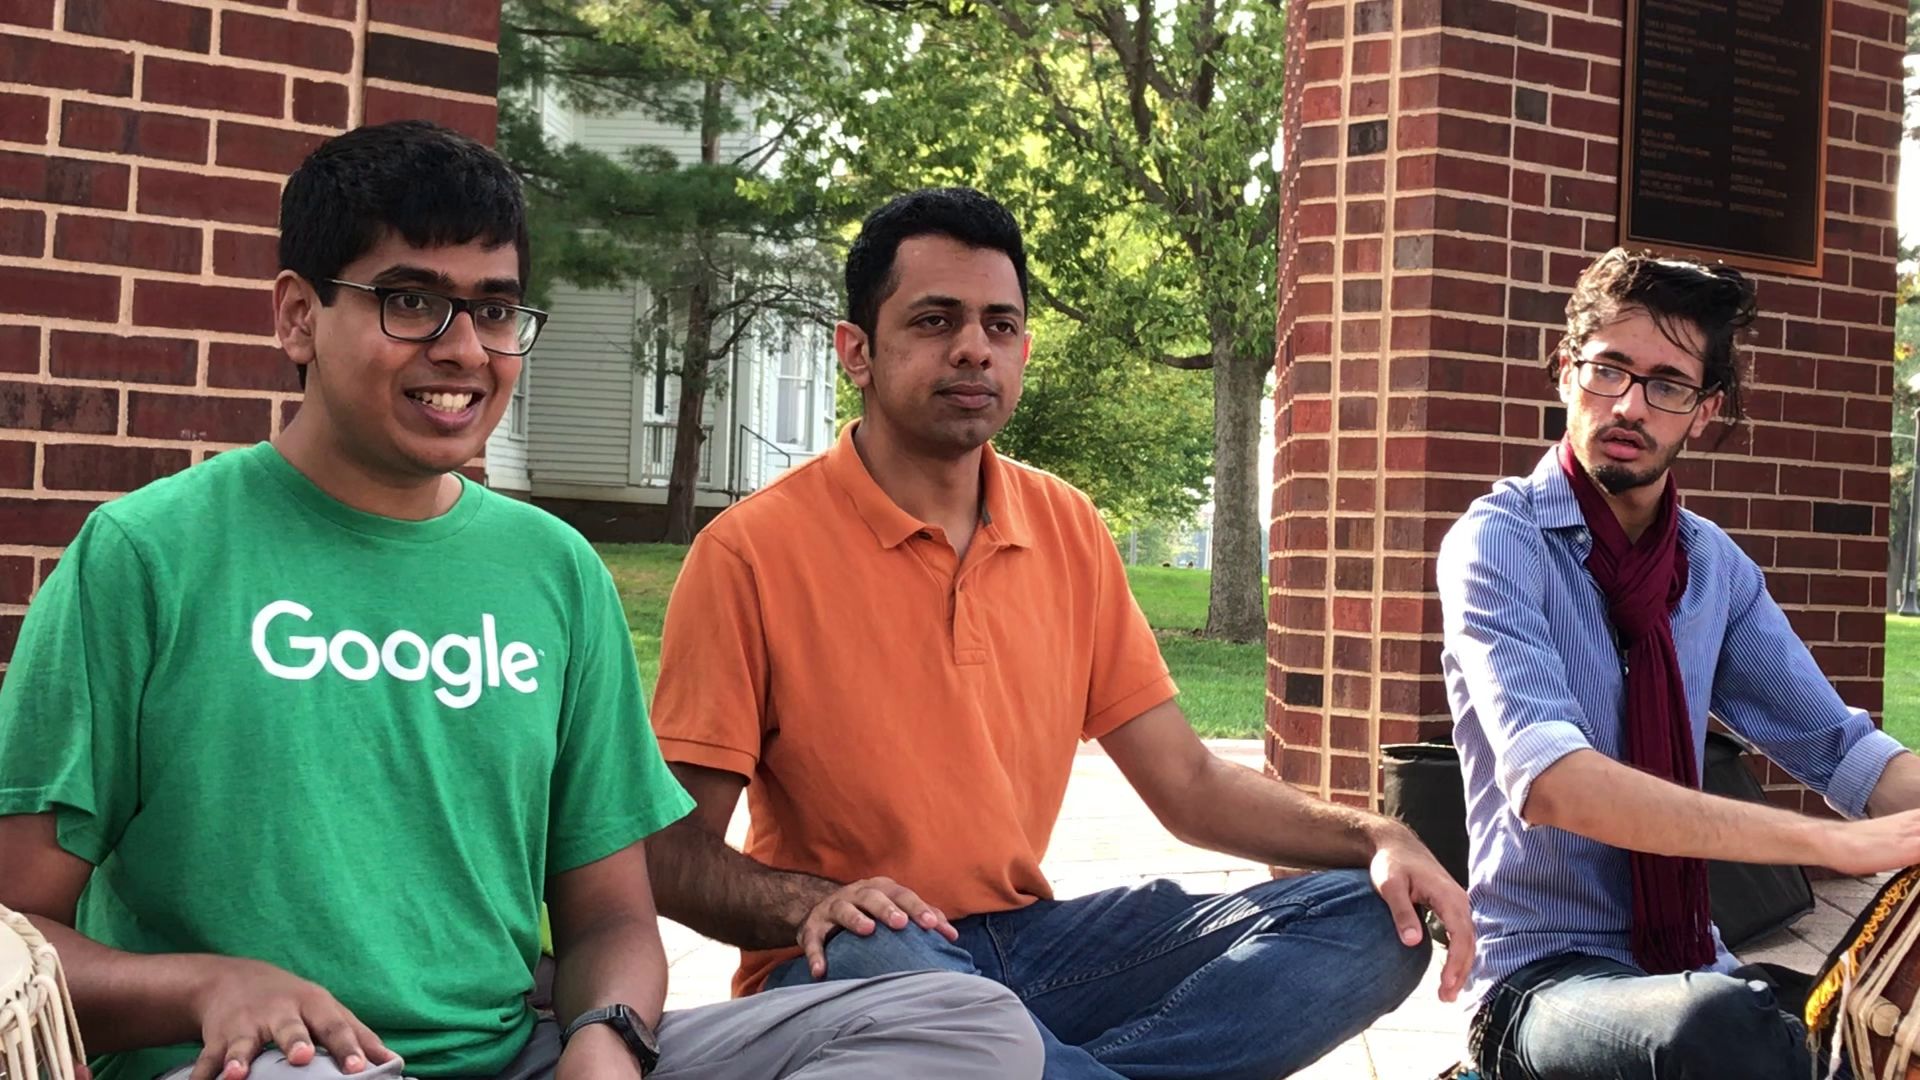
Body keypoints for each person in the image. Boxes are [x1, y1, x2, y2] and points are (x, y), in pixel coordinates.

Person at [0, 121, 1042, 1080]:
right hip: (269, 1065)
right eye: (411, 301)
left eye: (494, 310)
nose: (462, 350)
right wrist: (208, 985)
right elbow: (14, 935)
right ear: (297, 316)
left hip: (521, 1056)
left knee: (963, 1025)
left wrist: (606, 1038)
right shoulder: (145, 558)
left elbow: (611, 923)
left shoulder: (554, 572)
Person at [644, 186, 1471, 1079]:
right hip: (860, 964)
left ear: (1024, 351)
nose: (973, 347)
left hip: (1035, 948)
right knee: (887, 958)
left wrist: (1376, 838)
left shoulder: (1067, 526)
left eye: (1000, 326)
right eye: (933, 320)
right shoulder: (751, 553)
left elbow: (1186, 784)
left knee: (1367, 921)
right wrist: (822, 903)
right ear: (857, 352)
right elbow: (673, 856)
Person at [1439, 247, 1920, 1079]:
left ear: (1703, 411)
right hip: (1541, 980)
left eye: (1667, 385)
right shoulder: (1498, 542)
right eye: (1608, 371)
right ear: (1565, 373)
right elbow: (1557, 782)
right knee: (1715, 1028)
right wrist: (1834, 847)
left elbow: (1841, 750)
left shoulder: (1713, 569)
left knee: (1772, 1019)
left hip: (1688, 956)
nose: (1629, 404)